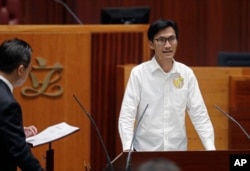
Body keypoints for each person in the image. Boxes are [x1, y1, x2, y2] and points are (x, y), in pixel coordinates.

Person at [118, 19, 216, 151]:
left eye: (172, 39)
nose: (168, 45)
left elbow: (199, 114)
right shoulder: (139, 74)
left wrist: (211, 150)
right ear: (151, 44)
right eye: (162, 40)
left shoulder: (186, 74)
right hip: (145, 152)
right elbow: (127, 115)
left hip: (177, 152)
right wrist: (127, 149)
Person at [0, 38, 45, 171]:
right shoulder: (8, 105)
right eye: (29, 69)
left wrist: (14, 130)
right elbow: (20, 152)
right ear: (20, 70)